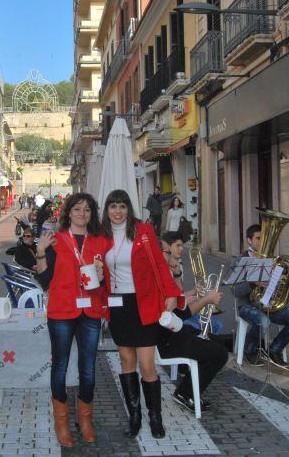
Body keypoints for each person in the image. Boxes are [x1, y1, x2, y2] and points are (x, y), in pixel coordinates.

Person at [102, 189, 183, 439]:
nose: (118, 211)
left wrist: (171, 293)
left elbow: (160, 263)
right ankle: (134, 416)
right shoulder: (100, 236)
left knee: (147, 364)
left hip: (144, 302)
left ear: (129, 209)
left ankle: (155, 417)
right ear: (107, 210)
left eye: (122, 206)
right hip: (117, 305)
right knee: (127, 361)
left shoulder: (143, 232)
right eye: (113, 206)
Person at [34, 193, 111, 447]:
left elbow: (110, 277)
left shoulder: (101, 241)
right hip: (62, 312)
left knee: (88, 368)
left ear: (92, 214)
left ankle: (85, 420)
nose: (82, 214)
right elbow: (45, 282)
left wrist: (102, 278)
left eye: (87, 210)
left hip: (90, 311)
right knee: (61, 367)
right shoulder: (57, 241)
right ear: (69, 213)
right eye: (77, 209)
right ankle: (62, 422)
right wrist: (41, 253)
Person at [235, 224, 289, 368]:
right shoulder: (241, 260)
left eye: (264, 238)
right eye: (258, 238)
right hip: (247, 306)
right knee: (263, 321)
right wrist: (254, 284)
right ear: (249, 240)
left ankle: (274, 349)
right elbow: (235, 291)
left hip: (270, 305)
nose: (261, 242)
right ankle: (250, 350)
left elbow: (288, 285)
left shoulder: (274, 260)